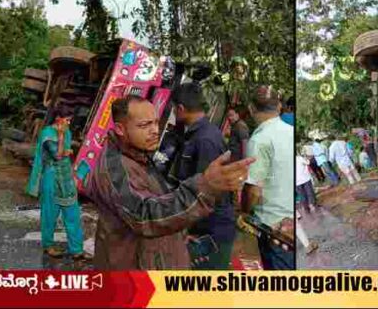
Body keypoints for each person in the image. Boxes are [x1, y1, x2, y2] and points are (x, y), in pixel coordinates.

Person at [84, 95, 254, 270]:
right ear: (120, 129)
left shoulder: (138, 154)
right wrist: (205, 186)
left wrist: (176, 237)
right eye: (144, 125)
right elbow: (144, 216)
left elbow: (159, 197)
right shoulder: (114, 166)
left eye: (155, 122)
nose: (155, 130)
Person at [171, 83, 235, 270]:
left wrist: (187, 227)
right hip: (205, 226)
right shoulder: (199, 134)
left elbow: (207, 191)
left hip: (210, 230)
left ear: (181, 108)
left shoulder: (205, 140)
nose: (174, 113)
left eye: (174, 108)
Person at [26, 106, 89, 262]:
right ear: (57, 119)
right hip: (51, 178)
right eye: (67, 120)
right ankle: (48, 246)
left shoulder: (67, 132)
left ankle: (77, 250)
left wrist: (75, 174)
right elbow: (58, 156)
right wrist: (60, 136)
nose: (69, 123)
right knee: (50, 215)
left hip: (66, 177)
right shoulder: (47, 134)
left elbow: (66, 155)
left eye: (69, 120)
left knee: (73, 214)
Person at [241, 85, 294, 270]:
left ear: (251, 109)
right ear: (279, 106)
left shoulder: (260, 140)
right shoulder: (290, 132)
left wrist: (244, 213)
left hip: (274, 228)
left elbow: (254, 190)